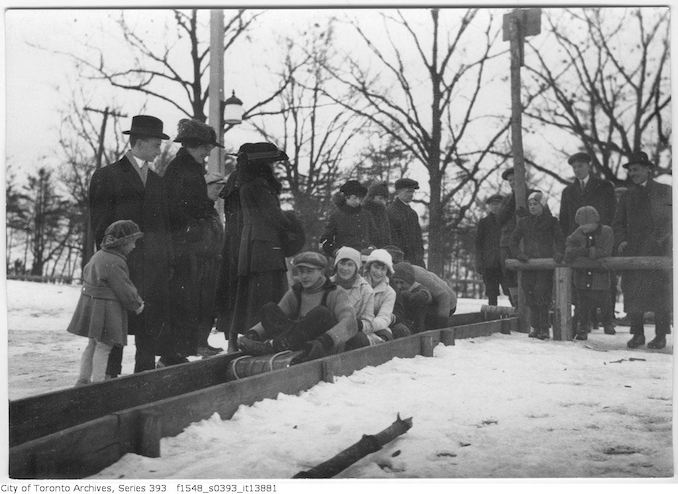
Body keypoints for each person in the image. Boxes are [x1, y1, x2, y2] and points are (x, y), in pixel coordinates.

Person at [88, 114, 173, 375]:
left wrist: (166, 260)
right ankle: (111, 381)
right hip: (121, 267)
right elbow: (101, 227)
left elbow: (165, 228)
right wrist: (113, 260)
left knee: (148, 326)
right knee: (116, 327)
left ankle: (143, 379)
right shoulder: (107, 176)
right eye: (156, 143)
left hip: (153, 269)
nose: (160, 149)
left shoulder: (159, 182)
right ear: (139, 142)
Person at [164, 119, 224, 360]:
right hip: (183, 247)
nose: (208, 152)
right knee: (182, 301)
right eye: (205, 147)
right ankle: (172, 354)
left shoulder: (191, 167)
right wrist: (196, 226)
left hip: (192, 246)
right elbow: (176, 209)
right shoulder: (180, 169)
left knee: (193, 300)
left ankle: (183, 349)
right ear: (192, 144)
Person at [237, 251, 358, 362]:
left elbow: (350, 322)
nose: (304, 276)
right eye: (301, 271)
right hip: (295, 341)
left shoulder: (335, 292)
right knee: (269, 309)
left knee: (321, 313)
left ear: (321, 272)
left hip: (319, 345)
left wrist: (327, 340)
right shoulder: (296, 292)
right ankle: (278, 345)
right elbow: (278, 314)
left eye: (309, 271)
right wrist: (253, 333)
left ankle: (275, 346)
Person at [231, 142, 293, 348]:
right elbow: (274, 216)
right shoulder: (259, 186)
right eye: (271, 163)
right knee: (267, 295)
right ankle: (260, 339)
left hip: (253, 245)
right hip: (266, 246)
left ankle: (249, 338)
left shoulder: (246, 184)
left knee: (253, 296)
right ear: (262, 165)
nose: (274, 167)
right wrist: (293, 224)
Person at [67, 221, 144, 385]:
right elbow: (124, 287)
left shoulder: (99, 255)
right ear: (122, 242)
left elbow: (87, 274)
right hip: (107, 310)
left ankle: (83, 379)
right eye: (132, 242)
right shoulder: (116, 262)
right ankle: (98, 384)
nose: (134, 246)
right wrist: (137, 304)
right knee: (105, 346)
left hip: (93, 307)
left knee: (92, 344)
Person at [612, 151, 672, 350]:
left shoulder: (665, 190)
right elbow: (618, 223)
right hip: (634, 252)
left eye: (636, 169)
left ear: (648, 169)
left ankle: (661, 335)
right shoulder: (627, 195)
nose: (633, 174)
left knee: (660, 295)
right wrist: (621, 241)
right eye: (630, 171)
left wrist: (662, 240)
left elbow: (672, 219)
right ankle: (637, 334)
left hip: (659, 251)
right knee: (633, 294)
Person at [559, 151, 617, 331]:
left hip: (600, 239)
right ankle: (585, 320)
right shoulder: (568, 191)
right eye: (574, 167)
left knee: (605, 280)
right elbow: (565, 219)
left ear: (588, 166)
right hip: (578, 242)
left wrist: (604, 236)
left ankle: (607, 319)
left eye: (580, 166)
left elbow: (612, 212)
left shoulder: (604, 186)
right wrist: (568, 243)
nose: (577, 170)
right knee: (580, 281)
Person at [510, 191, 565, 340]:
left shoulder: (552, 221)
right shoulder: (524, 222)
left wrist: (559, 252)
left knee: (542, 294)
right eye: (530, 204)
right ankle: (535, 327)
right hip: (528, 264)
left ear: (543, 205)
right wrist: (519, 254)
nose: (532, 207)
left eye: (536, 204)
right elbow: (513, 241)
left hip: (544, 264)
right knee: (529, 293)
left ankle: (544, 328)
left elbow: (560, 239)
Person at [564, 206, 615, 340]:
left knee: (604, 301)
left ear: (596, 222)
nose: (583, 227)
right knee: (582, 304)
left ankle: (608, 323)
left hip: (600, 275)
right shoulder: (578, 232)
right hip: (582, 276)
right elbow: (569, 245)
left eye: (587, 224)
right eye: (581, 224)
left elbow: (605, 252)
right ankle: (582, 328)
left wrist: (585, 252)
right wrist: (573, 252)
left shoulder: (606, 232)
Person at [320, 180, 376, 256]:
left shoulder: (367, 215)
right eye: (354, 198)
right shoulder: (336, 216)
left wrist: (372, 247)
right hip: (345, 256)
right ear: (347, 197)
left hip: (366, 256)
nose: (357, 201)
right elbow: (325, 240)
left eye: (359, 198)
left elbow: (374, 235)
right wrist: (336, 252)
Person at [496, 168, 525, 306]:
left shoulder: (533, 195)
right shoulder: (507, 199)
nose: (513, 182)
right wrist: (514, 198)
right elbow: (500, 219)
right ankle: (516, 305)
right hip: (507, 243)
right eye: (510, 180)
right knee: (509, 275)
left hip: (526, 243)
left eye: (515, 179)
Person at [475, 193, 510, 306]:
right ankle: (492, 318)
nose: (495, 207)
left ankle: (518, 317)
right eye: (492, 204)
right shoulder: (484, 223)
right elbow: (478, 244)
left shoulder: (508, 221)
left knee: (510, 290)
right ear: (489, 206)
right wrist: (479, 262)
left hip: (506, 263)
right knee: (491, 293)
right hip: (489, 264)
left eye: (498, 204)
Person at [387, 178, 425, 268]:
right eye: (408, 192)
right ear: (398, 192)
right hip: (399, 261)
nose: (411, 195)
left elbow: (418, 239)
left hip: (416, 261)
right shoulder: (390, 211)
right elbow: (393, 239)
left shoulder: (412, 213)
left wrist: (419, 258)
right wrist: (400, 259)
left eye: (412, 192)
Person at [390, 262, 433, 334]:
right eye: (396, 282)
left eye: (402, 282)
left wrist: (419, 296)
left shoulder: (417, 289)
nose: (398, 286)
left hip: (415, 327)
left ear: (410, 282)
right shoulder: (391, 290)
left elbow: (426, 295)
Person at [362, 182, 392, 248]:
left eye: (385, 199)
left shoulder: (383, 212)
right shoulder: (363, 212)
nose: (383, 202)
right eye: (380, 198)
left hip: (383, 250)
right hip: (368, 250)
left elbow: (387, 234)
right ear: (371, 197)